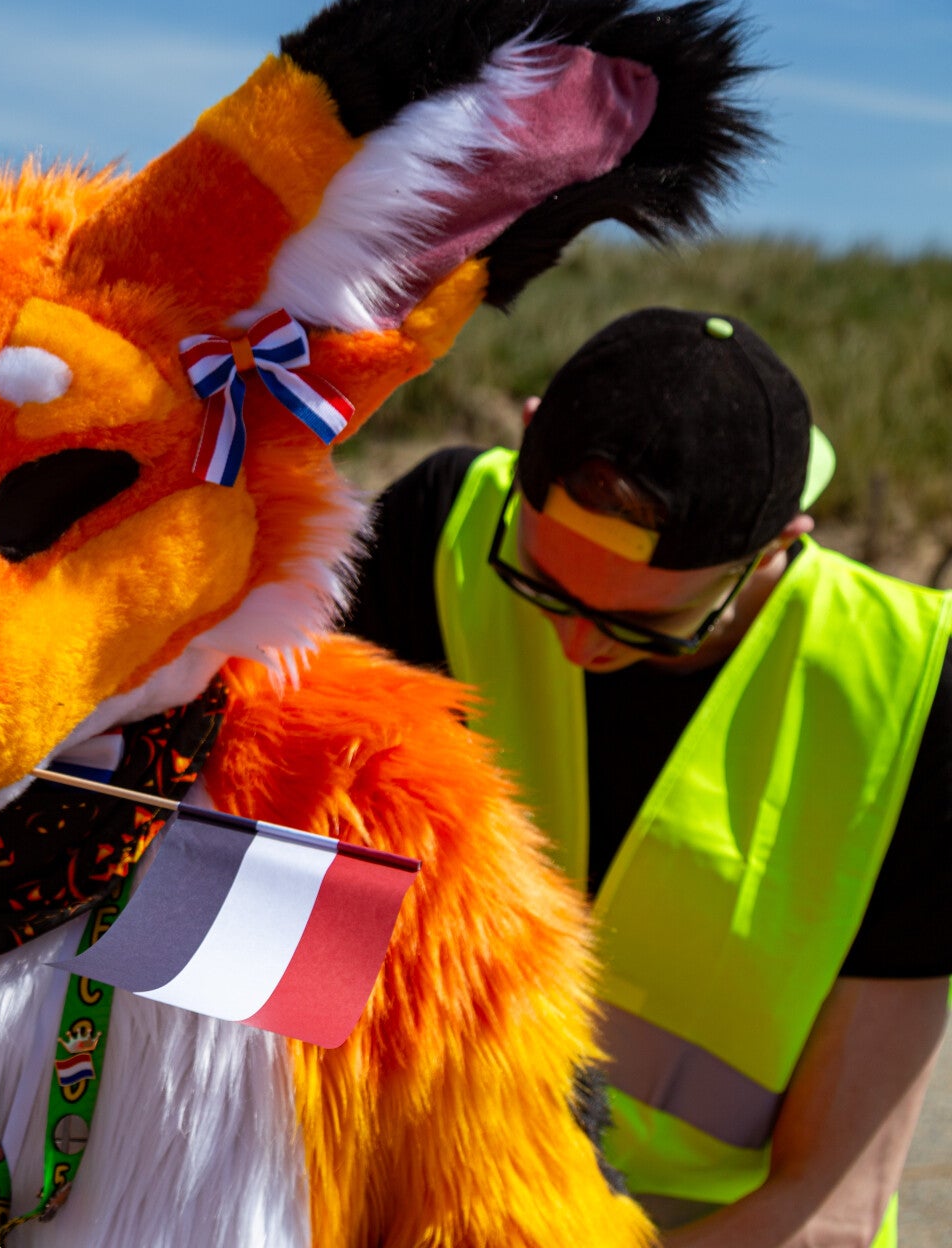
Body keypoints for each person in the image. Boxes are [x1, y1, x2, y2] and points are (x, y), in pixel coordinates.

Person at [340, 307, 951, 1246]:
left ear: (779, 545)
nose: (577, 644)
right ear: (527, 430)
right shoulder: (435, 532)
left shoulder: (916, 696)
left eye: (646, 625)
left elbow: (835, 1206)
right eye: (541, 583)